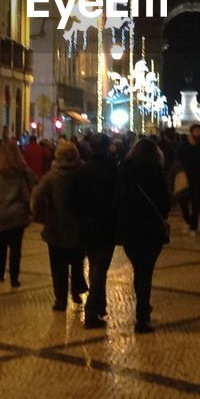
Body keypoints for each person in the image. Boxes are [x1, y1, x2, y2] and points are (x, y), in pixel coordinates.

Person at [114, 139, 172, 333]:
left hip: (129, 229)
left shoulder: (123, 172)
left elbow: (117, 199)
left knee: (139, 270)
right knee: (145, 272)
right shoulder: (157, 174)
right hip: (151, 230)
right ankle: (142, 316)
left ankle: (143, 310)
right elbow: (165, 203)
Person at [31, 139, 88, 311]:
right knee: (78, 263)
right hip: (79, 228)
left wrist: (40, 214)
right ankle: (77, 291)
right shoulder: (83, 172)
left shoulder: (51, 177)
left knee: (58, 268)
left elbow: (36, 199)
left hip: (56, 229)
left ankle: (61, 299)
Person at [75, 134, 119, 329]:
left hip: (87, 225)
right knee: (101, 267)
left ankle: (100, 305)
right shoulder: (112, 169)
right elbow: (118, 198)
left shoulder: (82, 170)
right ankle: (92, 311)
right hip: (106, 225)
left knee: (95, 265)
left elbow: (71, 199)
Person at [0, 139, 38, 287]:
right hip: (18, 213)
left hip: (0, 212)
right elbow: (34, 181)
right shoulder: (22, 171)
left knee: (0, 245)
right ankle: (14, 277)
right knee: (16, 247)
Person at [178, 124, 200, 236]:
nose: (198, 133)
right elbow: (178, 162)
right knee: (183, 202)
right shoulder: (183, 147)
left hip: (198, 179)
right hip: (185, 179)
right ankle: (188, 220)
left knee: (196, 204)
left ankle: (194, 226)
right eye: (196, 131)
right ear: (191, 132)